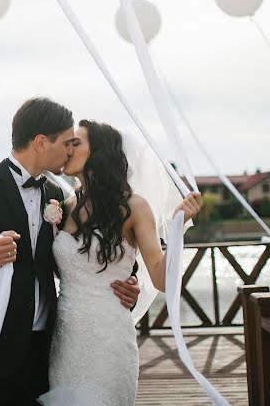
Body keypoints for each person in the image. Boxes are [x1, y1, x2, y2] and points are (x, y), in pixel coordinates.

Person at [0, 98, 141, 406]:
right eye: (66, 143)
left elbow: (89, 251)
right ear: (41, 142)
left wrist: (129, 280)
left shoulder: (56, 194)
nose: (70, 151)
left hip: (43, 354)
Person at [38, 119, 202, 406]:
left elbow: (163, 280)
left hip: (108, 337)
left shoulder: (134, 207)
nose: (68, 148)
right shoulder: (67, 205)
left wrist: (177, 228)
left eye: (76, 143)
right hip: (65, 340)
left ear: (99, 153)